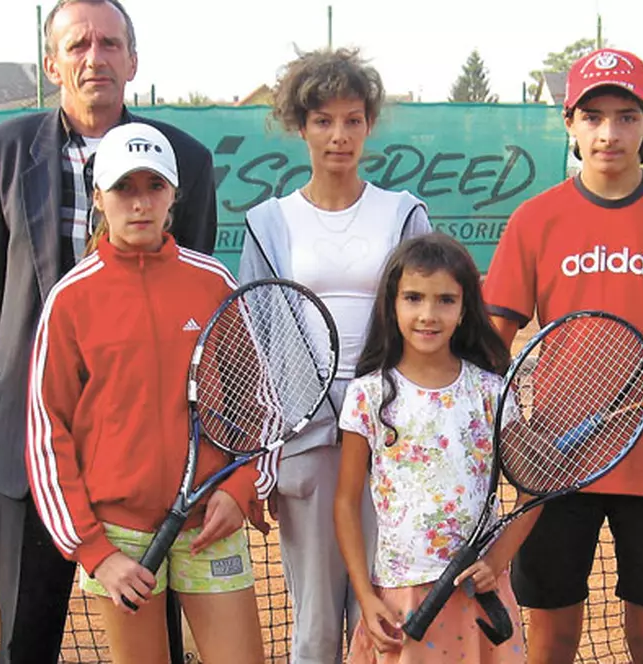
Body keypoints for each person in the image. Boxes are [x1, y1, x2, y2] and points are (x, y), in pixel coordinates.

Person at [0, 1, 217, 660]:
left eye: (109, 43)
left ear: (132, 60)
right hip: (34, 443)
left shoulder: (184, 158)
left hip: (146, 453)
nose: (93, 57)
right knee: (27, 637)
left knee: (155, 642)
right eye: (77, 45)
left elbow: (183, 288)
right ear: (52, 63)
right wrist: (57, 361)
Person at [482, 47, 643, 663]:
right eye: (593, 117)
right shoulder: (535, 219)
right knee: (551, 635)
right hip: (556, 468)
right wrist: (515, 432)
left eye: (626, 116)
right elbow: (491, 344)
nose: (609, 133)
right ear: (570, 123)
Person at [24, 123, 264, 663]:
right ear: (99, 198)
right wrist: (96, 551)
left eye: (153, 187)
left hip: (212, 520)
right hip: (119, 537)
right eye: (124, 189)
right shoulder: (70, 299)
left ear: (173, 195)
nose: (139, 203)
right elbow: (47, 432)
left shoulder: (213, 283)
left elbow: (260, 403)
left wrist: (244, 483)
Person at [238, 47, 431, 663]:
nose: (339, 136)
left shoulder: (403, 214)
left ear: (369, 124)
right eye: (324, 121)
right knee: (317, 623)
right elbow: (256, 342)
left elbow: (430, 319)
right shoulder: (268, 223)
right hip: (307, 439)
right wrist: (266, 452)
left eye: (352, 120)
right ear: (301, 126)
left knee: (388, 612)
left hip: (392, 436)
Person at [333, 232, 529, 663]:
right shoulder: (368, 394)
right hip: (400, 594)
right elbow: (346, 503)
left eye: (445, 300)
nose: (428, 314)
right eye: (414, 298)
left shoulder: (492, 393)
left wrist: (496, 561)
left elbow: (533, 493)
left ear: (464, 310)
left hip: (479, 594)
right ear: (393, 304)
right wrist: (366, 596)